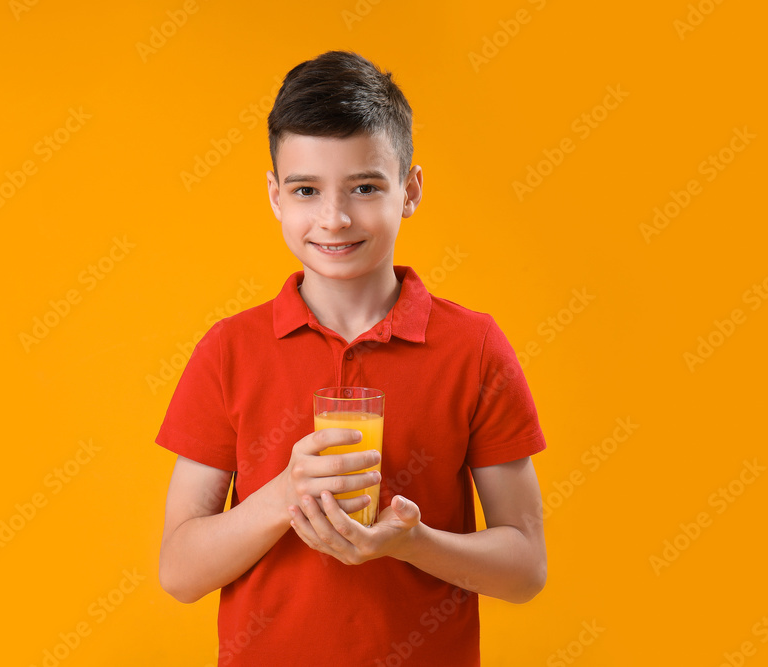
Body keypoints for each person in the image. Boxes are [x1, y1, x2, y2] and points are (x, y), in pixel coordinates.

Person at [157, 49, 547, 666]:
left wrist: (410, 542)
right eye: (306, 190)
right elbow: (179, 571)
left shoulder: (473, 348)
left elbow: (525, 568)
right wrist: (287, 492)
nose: (334, 219)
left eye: (365, 187)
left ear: (410, 190)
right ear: (275, 196)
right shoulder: (229, 351)